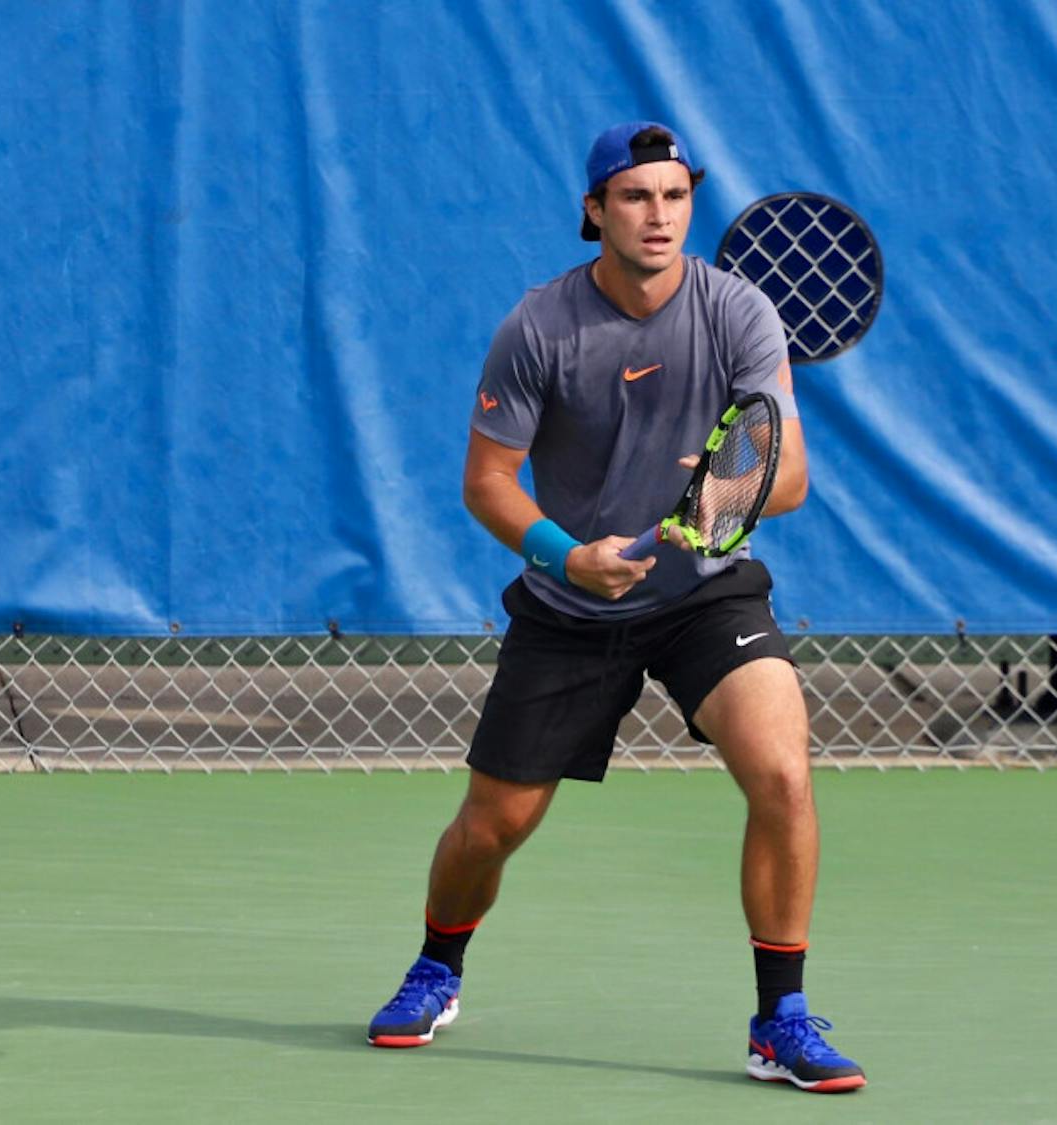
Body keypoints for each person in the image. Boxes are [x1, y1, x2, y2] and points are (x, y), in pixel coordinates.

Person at [366, 121, 866, 1094]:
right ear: (595, 209)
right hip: (571, 605)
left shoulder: (740, 314)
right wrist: (567, 554)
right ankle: (438, 965)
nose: (659, 215)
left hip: (706, 595)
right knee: (493, 824)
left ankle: (782, 1018)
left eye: (675, 196)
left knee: (783, 772)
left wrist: (717, 501)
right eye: (636, 197)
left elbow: (789, 471)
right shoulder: (540, 327)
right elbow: (489, 482)